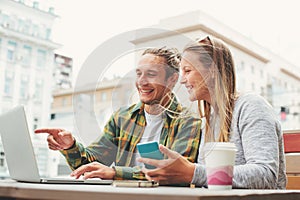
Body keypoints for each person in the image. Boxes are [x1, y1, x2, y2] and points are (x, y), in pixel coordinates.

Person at [137, 36, 287, 189]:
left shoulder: (252, 106)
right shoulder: (210, 120)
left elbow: (266, 174)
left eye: (187, 71)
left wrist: (192, 172)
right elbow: (206, 180)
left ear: (213, 70)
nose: (182, 80)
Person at [35, 47, 202, 180]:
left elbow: (175, 172)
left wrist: (116, 173)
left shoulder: (189, 121)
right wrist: (70, 146)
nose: (141, 82)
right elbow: (91, 164)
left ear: (172, 79)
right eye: (139, 74)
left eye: (151, 74)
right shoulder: (122, 118)